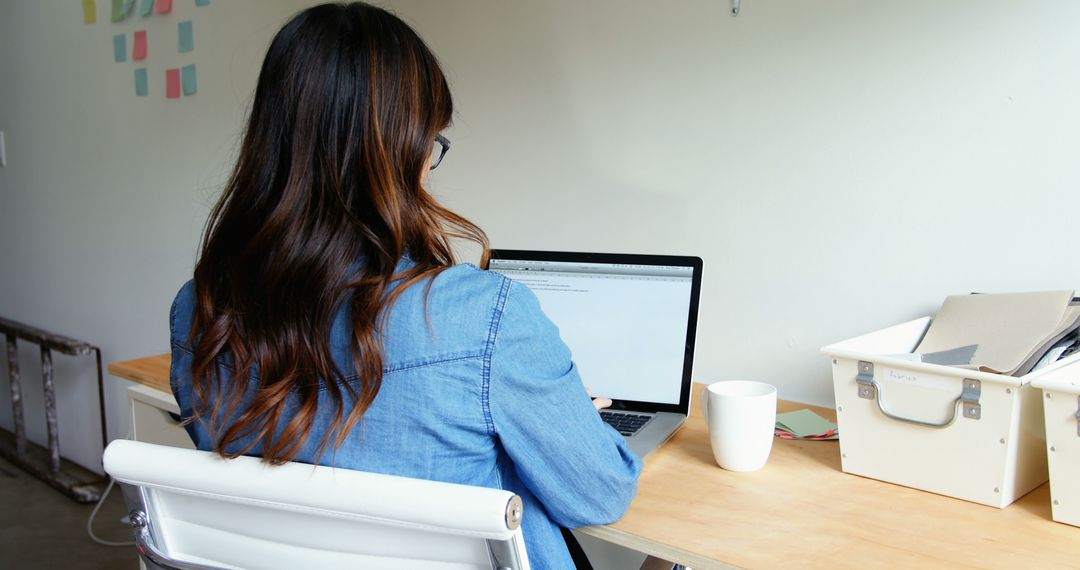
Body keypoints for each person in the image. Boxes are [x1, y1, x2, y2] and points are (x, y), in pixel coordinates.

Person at [167, 2, 642, 568]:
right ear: (401, 150)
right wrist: (562, 423)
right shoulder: (484, 318)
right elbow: (601, 494)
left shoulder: (200, 311)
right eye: (432, 144)